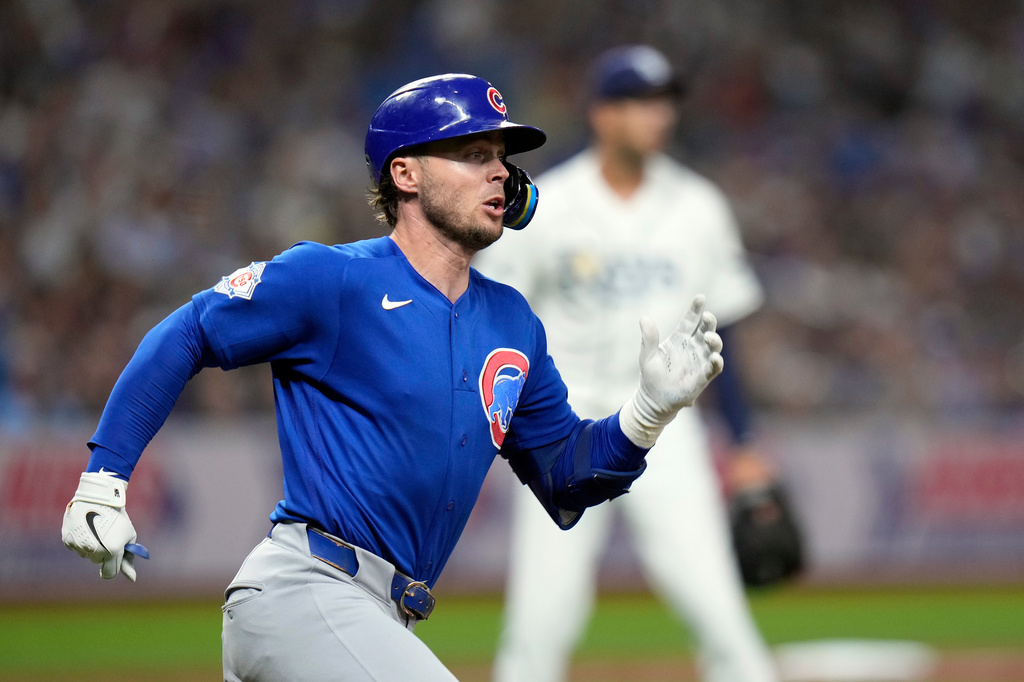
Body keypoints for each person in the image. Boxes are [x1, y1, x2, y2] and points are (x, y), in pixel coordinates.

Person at [59, 72, 727, 682]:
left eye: (502, 157)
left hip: (378, 619)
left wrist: (647, 413)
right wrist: (104, 477)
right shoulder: (334, 278)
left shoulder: (513, 322)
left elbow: (566, 477)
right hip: (307, 594)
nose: (500, 173)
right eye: (473, 154)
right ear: (405, 174)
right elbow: (189, 331)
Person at [475, 46, 780, 682]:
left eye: (665, 101)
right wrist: (501, 424)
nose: (659, 115)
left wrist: (744, 440)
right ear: (602, 114)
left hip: (668, 425)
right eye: (640, 102)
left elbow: (728, 326)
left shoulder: (699, 206)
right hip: (562, 421)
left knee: (721, 614)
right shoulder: (548, 204)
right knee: (538, 624)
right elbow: (493, 317)